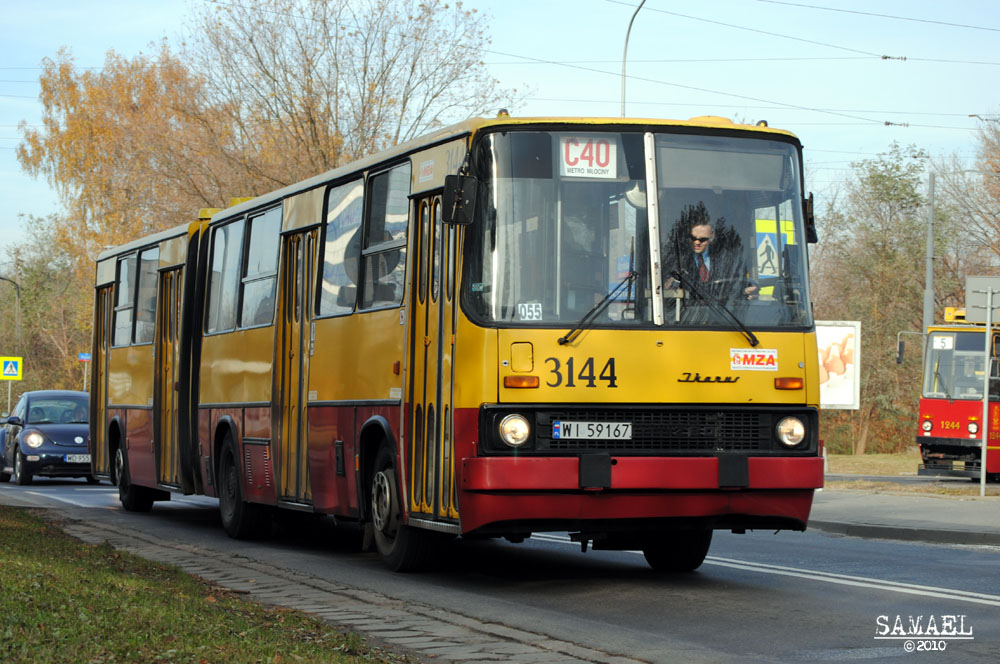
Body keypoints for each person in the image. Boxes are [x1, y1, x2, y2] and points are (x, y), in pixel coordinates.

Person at [663, 202, 757, 302]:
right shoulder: (677, 260)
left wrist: (749, 289)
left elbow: (737, 284)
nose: (697, 242)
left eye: (703, 239)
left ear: (712, 236)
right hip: (687, 313)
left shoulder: (726, 259)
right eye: (693, 238)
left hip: (722, 313)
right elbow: (667, 294)